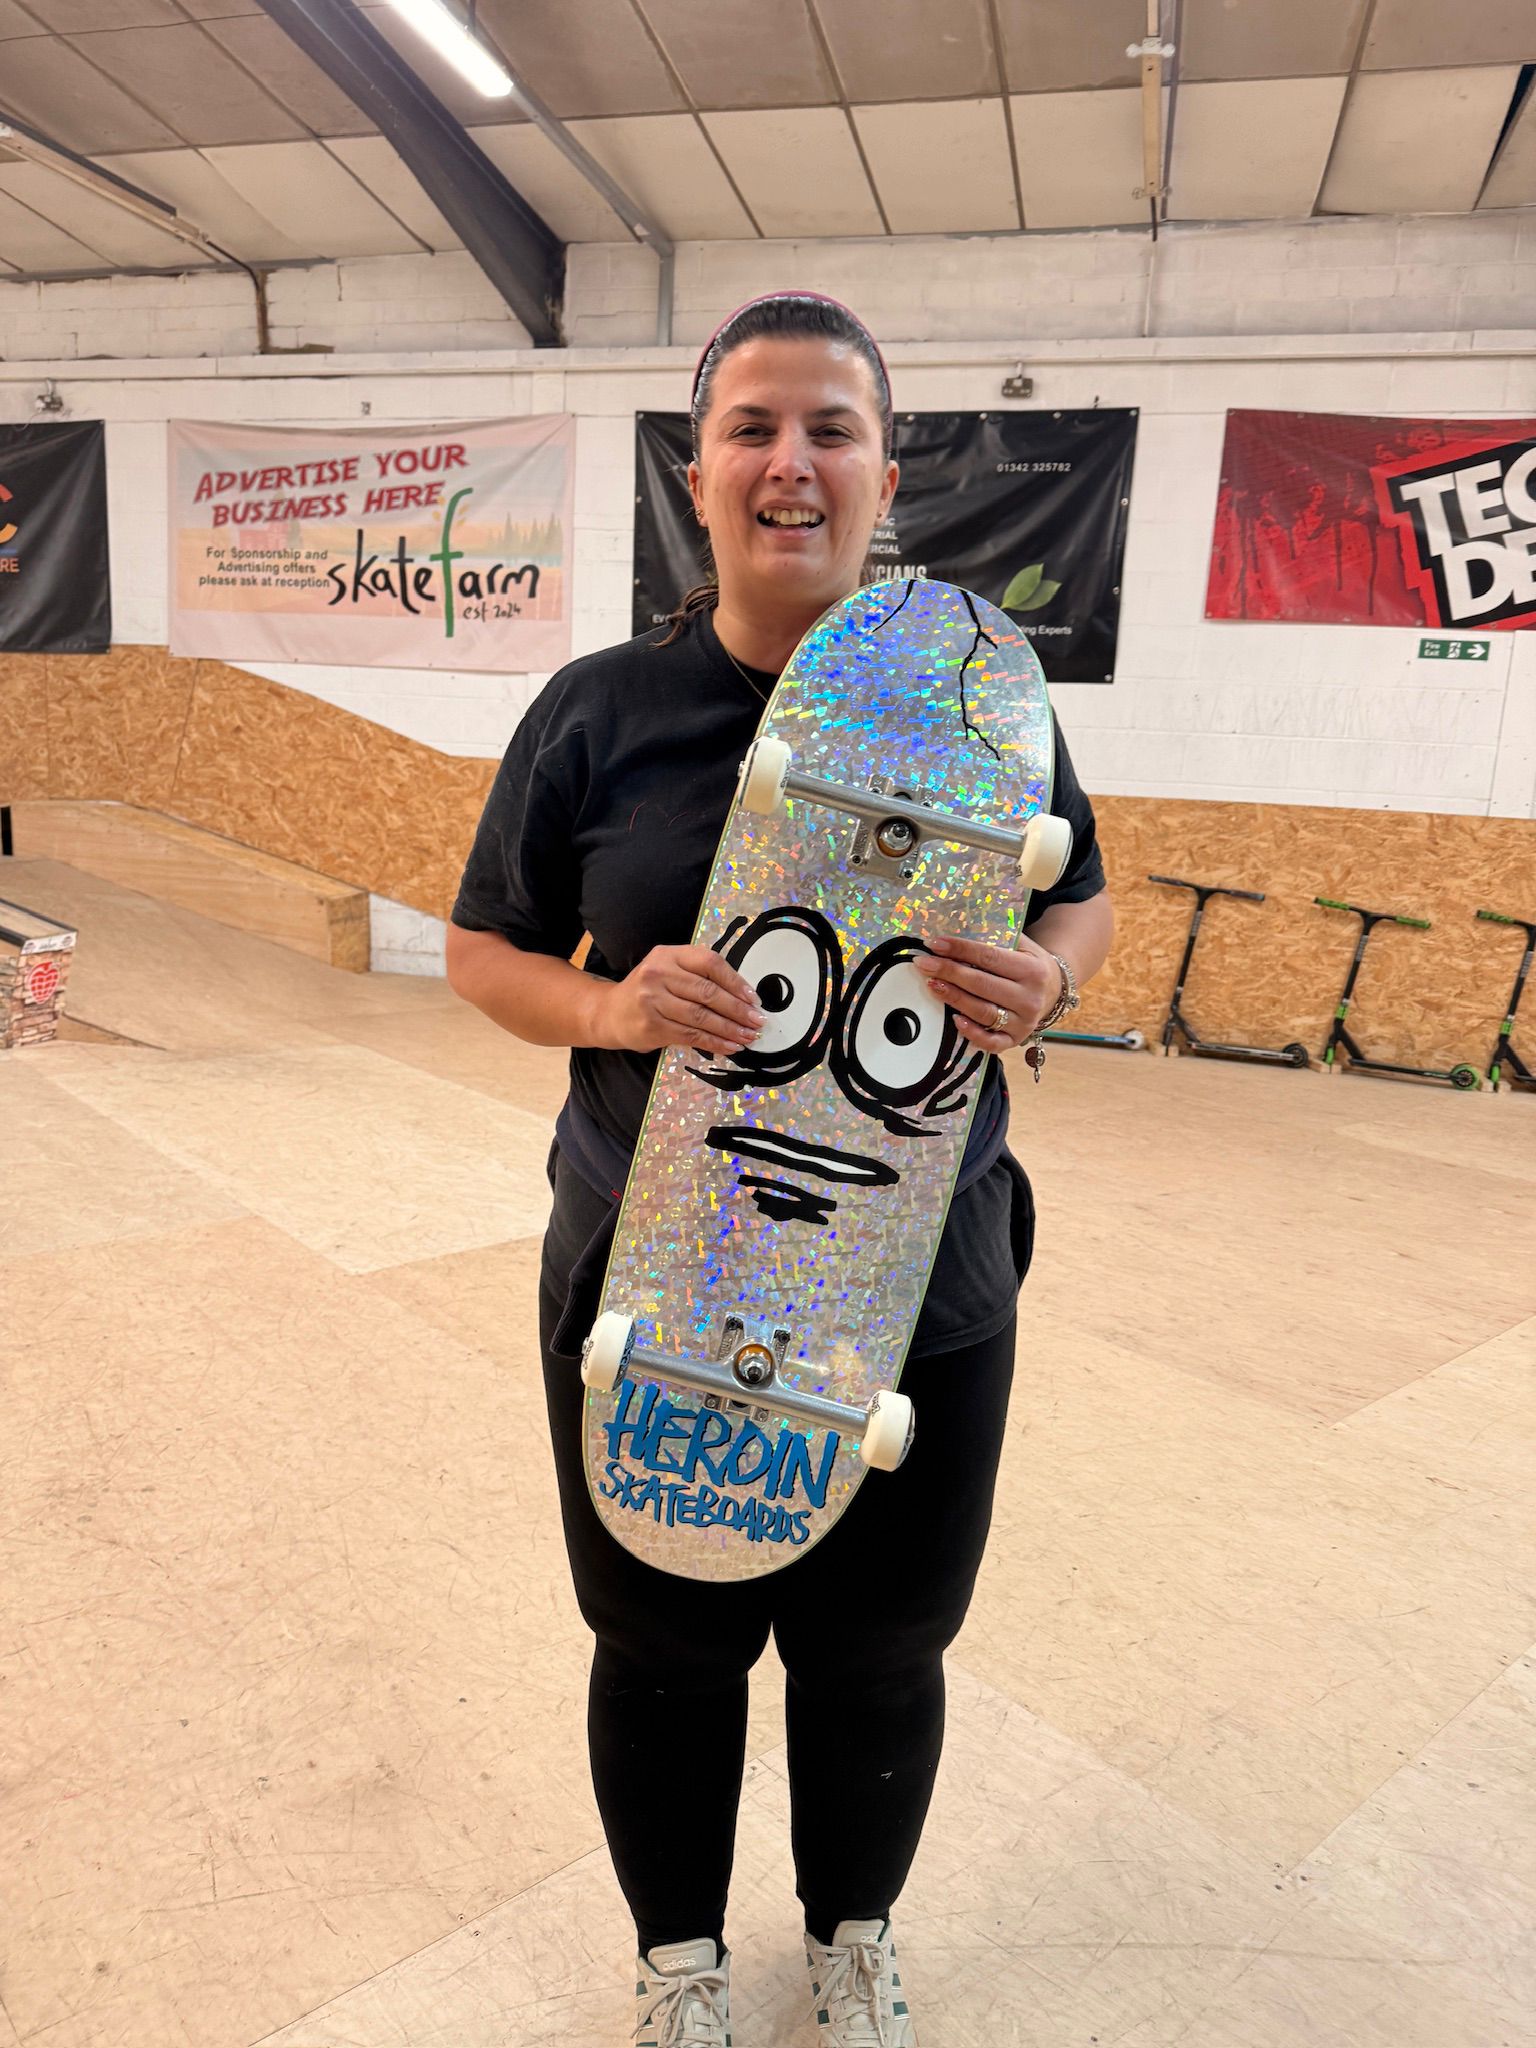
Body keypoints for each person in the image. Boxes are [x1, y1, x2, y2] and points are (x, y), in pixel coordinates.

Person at [447, 293, 1114, 2048]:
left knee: (884, 1644)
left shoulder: (986, 702)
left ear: (887, 471)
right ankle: (681, 1963)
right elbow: (482, 953)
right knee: (662, 1633)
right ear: (699, 470)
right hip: (656, 1261)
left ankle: (853, 1935)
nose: (791, 462)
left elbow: (1079, 897)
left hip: (926, 1271)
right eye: (753, 426)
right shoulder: (602, 712)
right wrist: (611, 999)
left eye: (832, 428)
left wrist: (1052, 977)